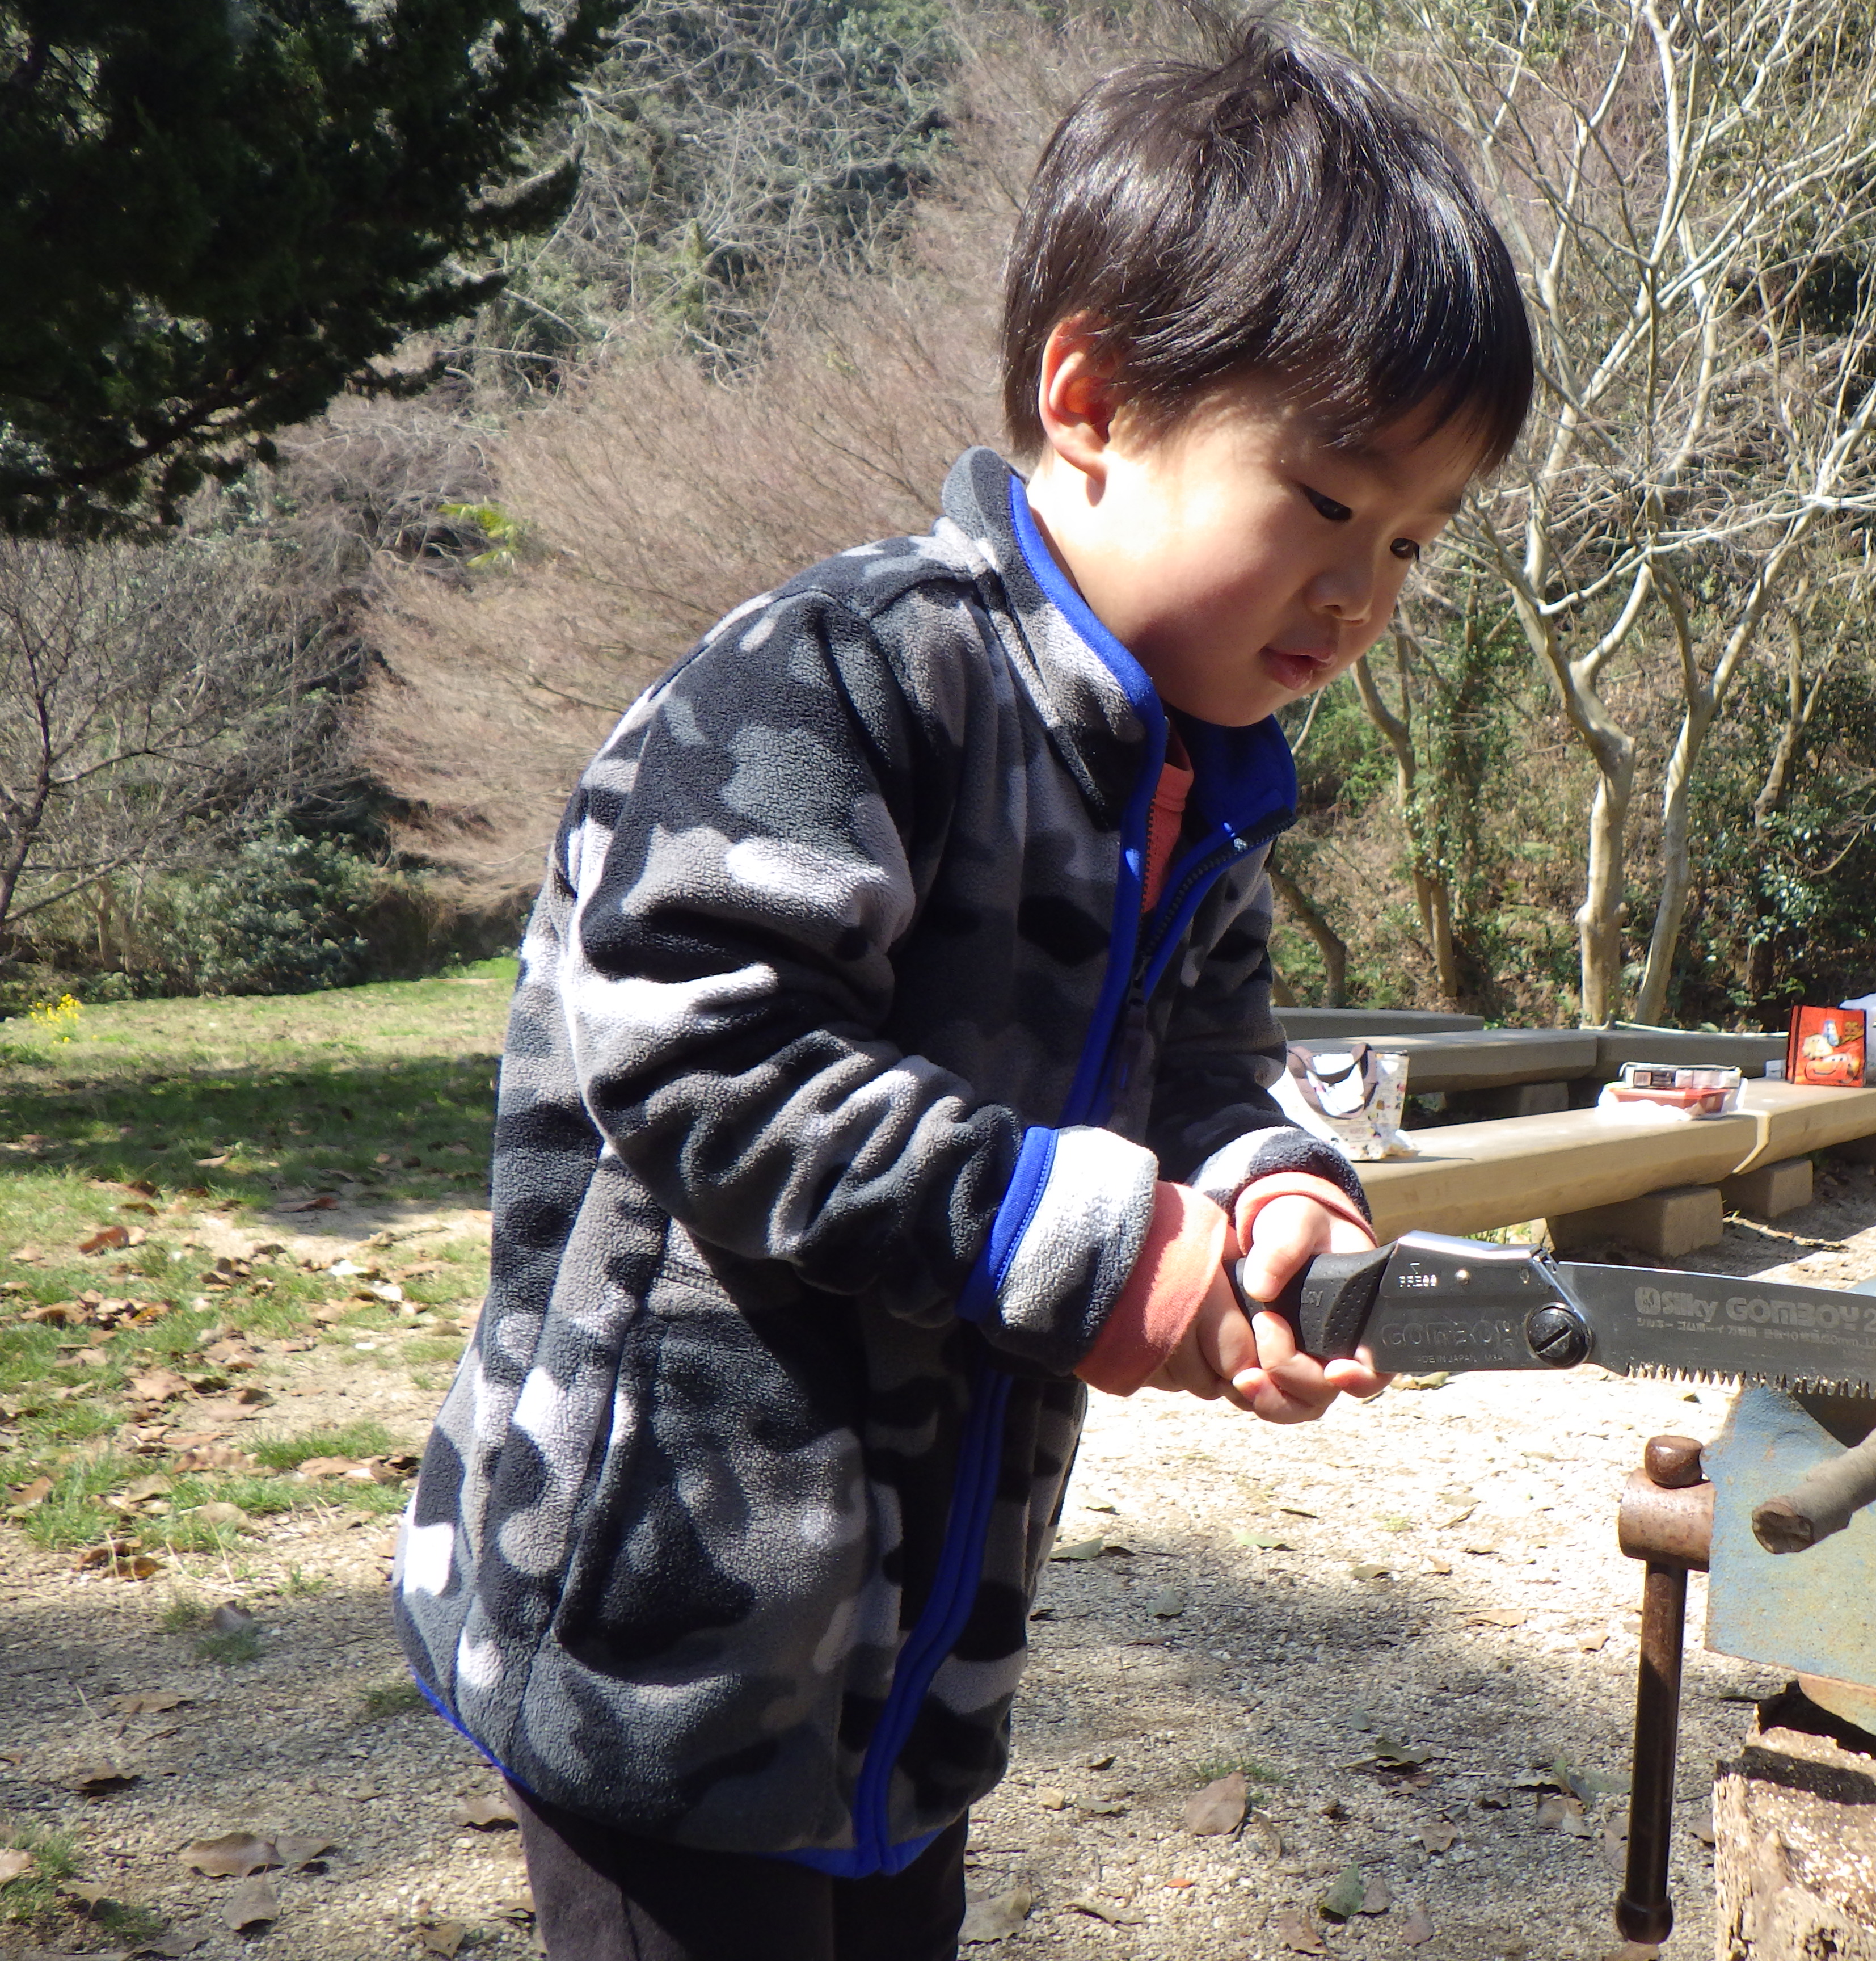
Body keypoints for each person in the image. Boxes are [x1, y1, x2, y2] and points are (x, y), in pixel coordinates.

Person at [390, 19, 1533, 1960]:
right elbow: (706, 1053)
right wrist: (1100, 1244)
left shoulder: (1201, 788)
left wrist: (1270, 1196)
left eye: (1417, 541)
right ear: (1092, 399)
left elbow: (1214, 1067)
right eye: (1333, 504)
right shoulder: (844, 677)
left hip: (912, 1650)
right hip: (665, 1623)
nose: (1367, 596)